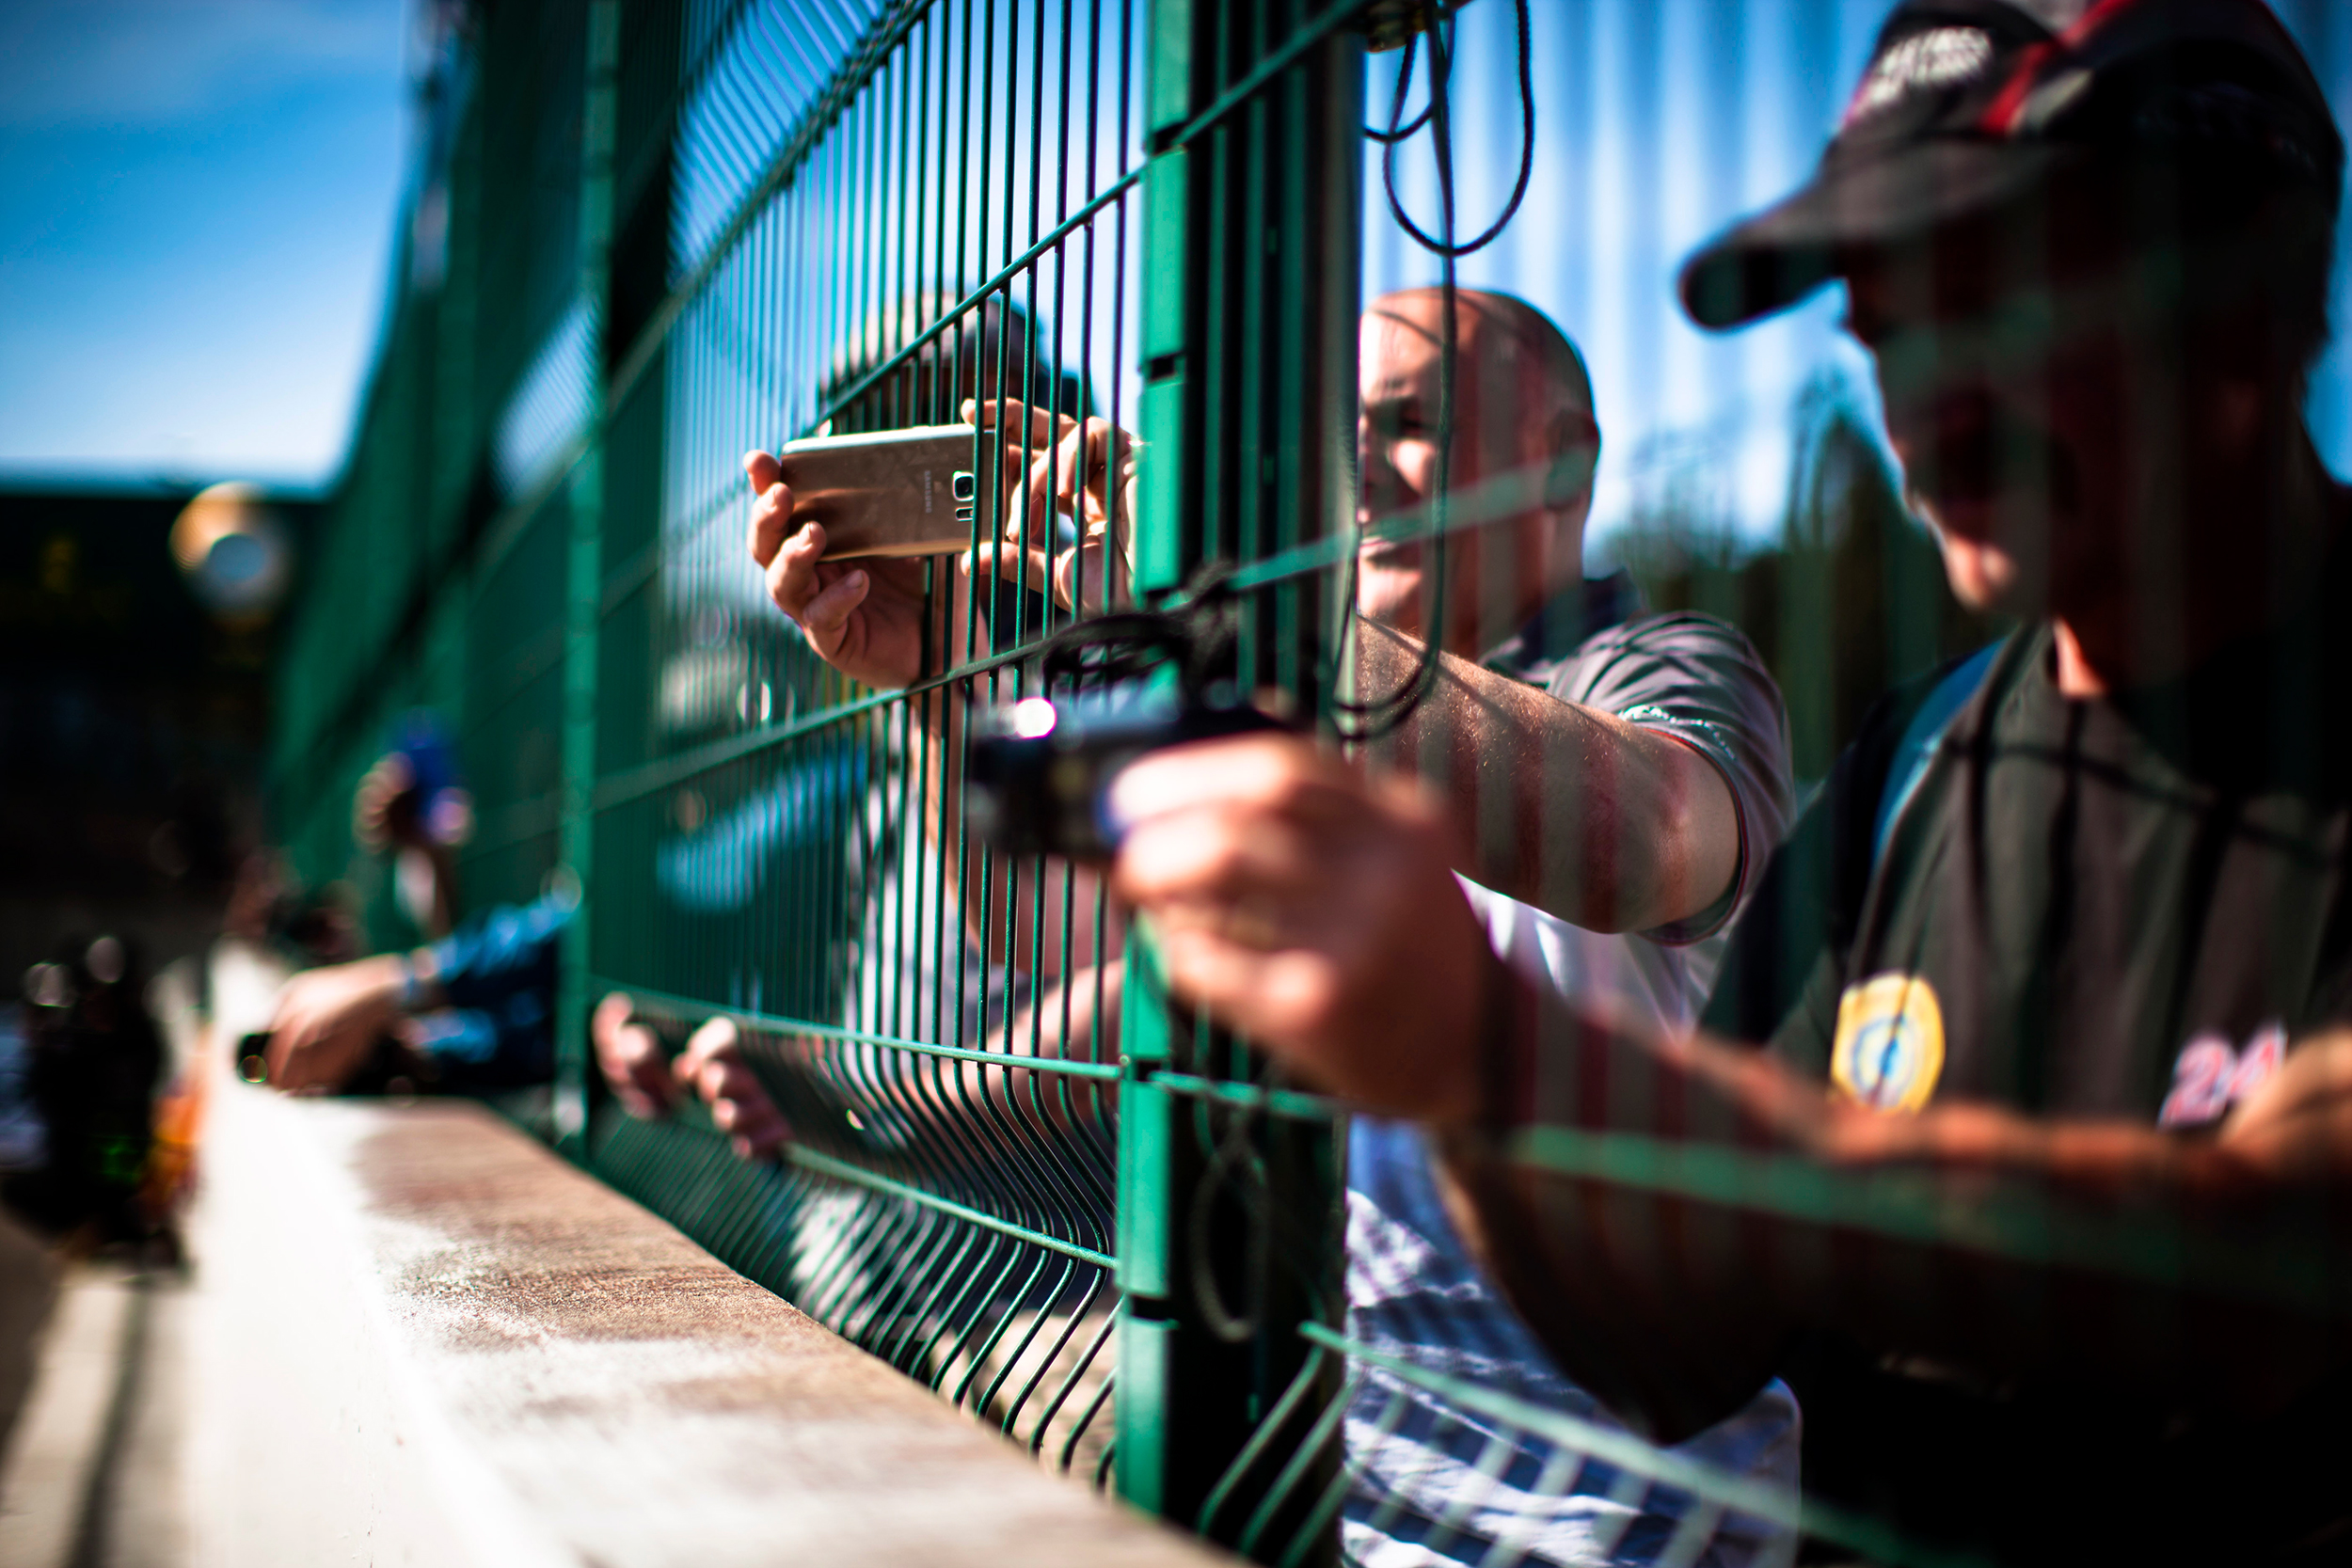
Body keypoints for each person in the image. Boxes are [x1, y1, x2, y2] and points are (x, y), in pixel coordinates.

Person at [1100, 2, 2352, 1562]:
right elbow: (1686, 1340)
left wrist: (1494, 1059)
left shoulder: (1684, 678)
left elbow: (2272, 1271)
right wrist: (1463, 1078)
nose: (1925, 415)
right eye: (1885, 327)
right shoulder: (1915, 767)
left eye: (1996, 300)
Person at [744, 285, 1804, 1567]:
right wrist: (935, 683)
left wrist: (1248, 622)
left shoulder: (1660, 662)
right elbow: (1051, 938)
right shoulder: (1302, 691)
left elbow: (1637, 843)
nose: (1358, 463)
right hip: (1316, 1502)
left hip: (1610, 1531)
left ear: (1563, 462)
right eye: (1339, 425)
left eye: (1412, 421)